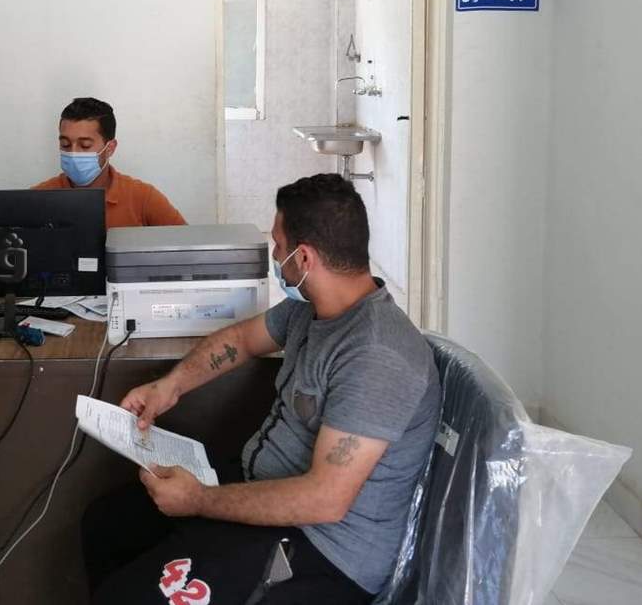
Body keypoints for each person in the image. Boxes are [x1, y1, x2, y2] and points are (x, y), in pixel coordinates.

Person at [82, 174, 441, 604]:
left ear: (304, 257)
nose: (274, 255)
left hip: (322, 549)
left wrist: (198, 500)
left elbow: (325, 500)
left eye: (277, 244)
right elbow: (241, 340)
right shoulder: (312, 309)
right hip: (265, 484)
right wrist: (169, 387)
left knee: (126, 597)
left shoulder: (377, 356)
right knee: (105, 524)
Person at [33, 96, 186, 229]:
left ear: (110, 148)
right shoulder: (37, 199)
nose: (73, 153)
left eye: (85, 145)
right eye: (65, 144)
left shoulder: (143, 198)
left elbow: (186, 245)